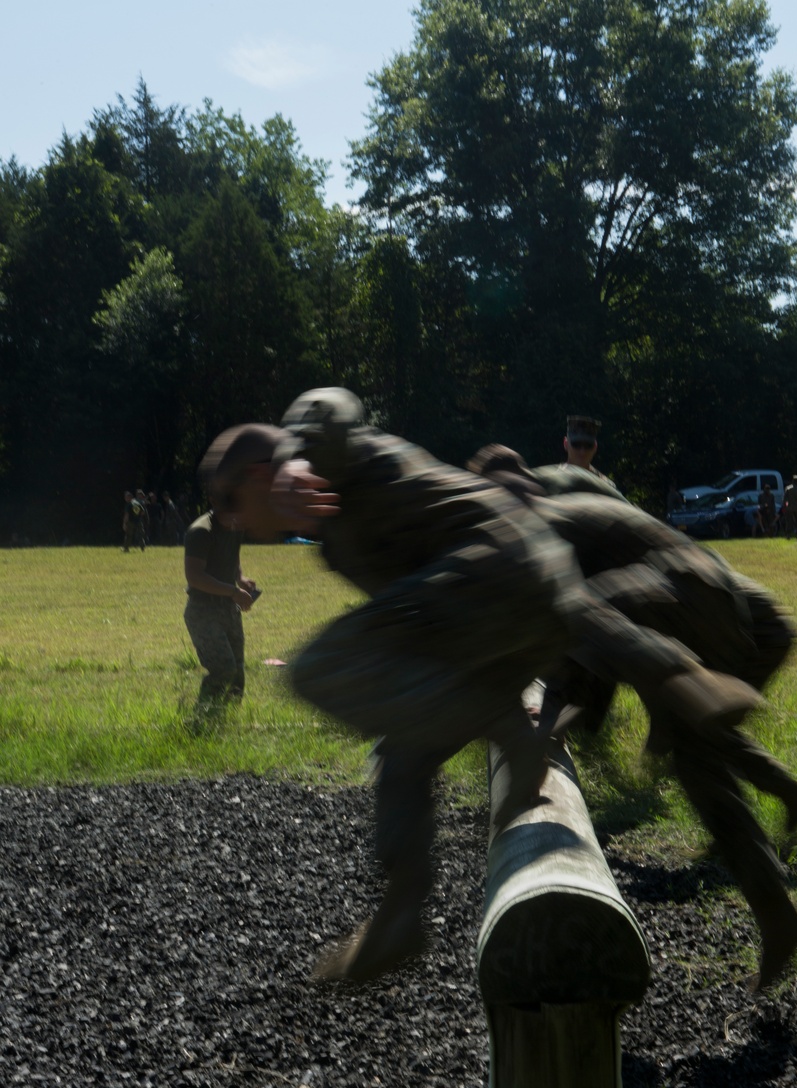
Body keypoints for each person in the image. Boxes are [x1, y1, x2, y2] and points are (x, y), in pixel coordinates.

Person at [199, 393, 761, 987]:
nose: (229, 520)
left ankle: (505, 727)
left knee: (315, 668)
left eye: (227, 501)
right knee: (403, 748)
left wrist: (293, 454)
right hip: (498, 615)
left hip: (499, 577)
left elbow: (331, 405)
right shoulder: (334, 533)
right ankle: (400, 913)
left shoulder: (330, 455)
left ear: (261, 474)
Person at [468, 445, 797, 990]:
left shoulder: (543, 525)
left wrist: (541, 731)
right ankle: (780, 915)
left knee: (697, 759)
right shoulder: (568, 500)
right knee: (699, 767)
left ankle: (780, 916)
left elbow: (579, 636)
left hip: (682, 603)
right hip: (701, 600)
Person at [183, 487, 260, 708]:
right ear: (212, 499)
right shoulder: (201, 531)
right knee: (223, 669)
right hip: (203, 611)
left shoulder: (235, 525)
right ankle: (202, 719)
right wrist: (234, 592)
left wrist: (240, 578)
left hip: (229, 609)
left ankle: (230, 722)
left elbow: (232, 555)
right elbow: (195, 576)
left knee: (238, 673)